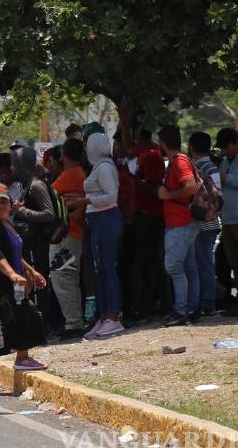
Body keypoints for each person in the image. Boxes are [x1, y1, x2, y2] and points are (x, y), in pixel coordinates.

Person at [0, 185, 47, 374]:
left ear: (10, 204)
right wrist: (12, 274)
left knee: (25, 318)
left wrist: (31, 271)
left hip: (13, 284)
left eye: (4, 202)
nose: (1, 205)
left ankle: (22, 359)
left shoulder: (6, 224)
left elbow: (15, 254)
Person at [74, 130, 126, 339]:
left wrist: (85, 201)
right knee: (98, 270)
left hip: (106, 219)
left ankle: (113, 317)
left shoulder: (104, 167)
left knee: (107, 268)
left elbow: (112, 196)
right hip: (98, 220)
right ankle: (104, 316)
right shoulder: (99, 166)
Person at [156, 125, 200, 327]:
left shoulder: (180, 161)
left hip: (181, 223)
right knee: (188, 267)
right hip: (184, 222)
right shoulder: (179, 160)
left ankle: (181, 311)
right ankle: (191, 309)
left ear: (163, 144)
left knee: (173, 266)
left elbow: (191, 187)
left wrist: (168, 195)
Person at [10, 146, 57, 328]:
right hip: (31, 245)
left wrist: (22, 211)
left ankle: (43, 325)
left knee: (40, 285)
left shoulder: (36, 186)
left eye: (13, 165)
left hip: (39, 245)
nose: (12, 169)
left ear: (20, 165)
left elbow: (49, 214)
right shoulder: (27, 185)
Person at [50, 138, 88, 340]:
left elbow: (50, 199)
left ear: (63, 155)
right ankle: (74, 321)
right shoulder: (79, 174)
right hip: (74, 234)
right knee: (68, 277)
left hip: (67, 236)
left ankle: (73, 323)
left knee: (62, 277)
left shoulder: (70, 175)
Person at [131, 128, 169, 322]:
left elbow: (153, 186)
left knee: (153, 263)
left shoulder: (152, 156)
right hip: (145, 215)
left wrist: (136, 182)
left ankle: (160, 305)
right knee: (146, 263)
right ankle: (151, 305)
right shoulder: (143, 155)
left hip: (151, 216)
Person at [189, 131, 223, 318]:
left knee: (203, 264)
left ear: (191, 148)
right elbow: (219, 195)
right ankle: (206, 302)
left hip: (202, 222)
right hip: (211, 221)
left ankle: (207, 303)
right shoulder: (212, 168)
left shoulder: (198, 167)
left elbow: (215, 196)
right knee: (204, 263)